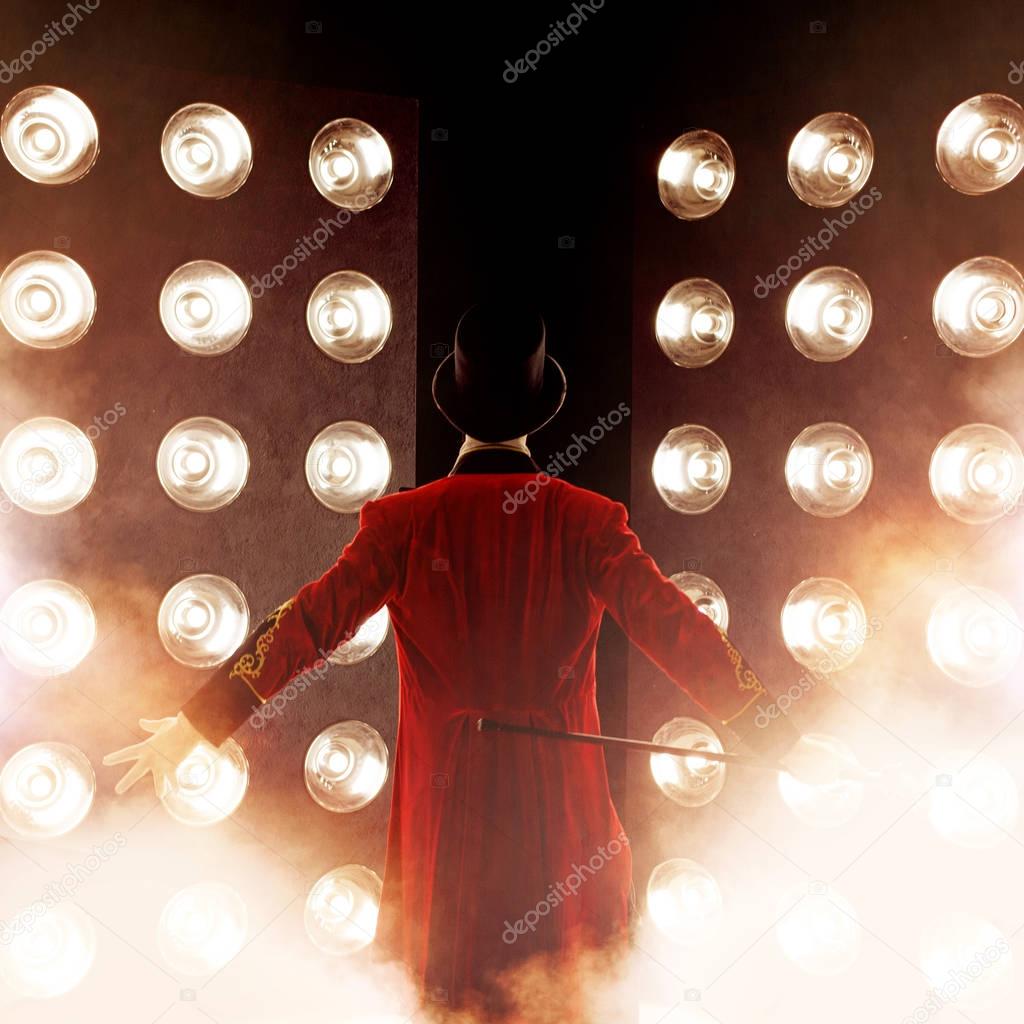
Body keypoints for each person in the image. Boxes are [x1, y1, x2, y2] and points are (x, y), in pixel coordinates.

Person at [104, 301, 835, 1019]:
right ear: (537, 407)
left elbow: (308, 623)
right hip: (565, 818)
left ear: (453, 409)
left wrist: (203, 720)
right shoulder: (585, 521)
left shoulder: (404, 524)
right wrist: (780, 736)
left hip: (446, 820)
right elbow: (680, 630)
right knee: (570, 989)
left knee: (453, 1001)